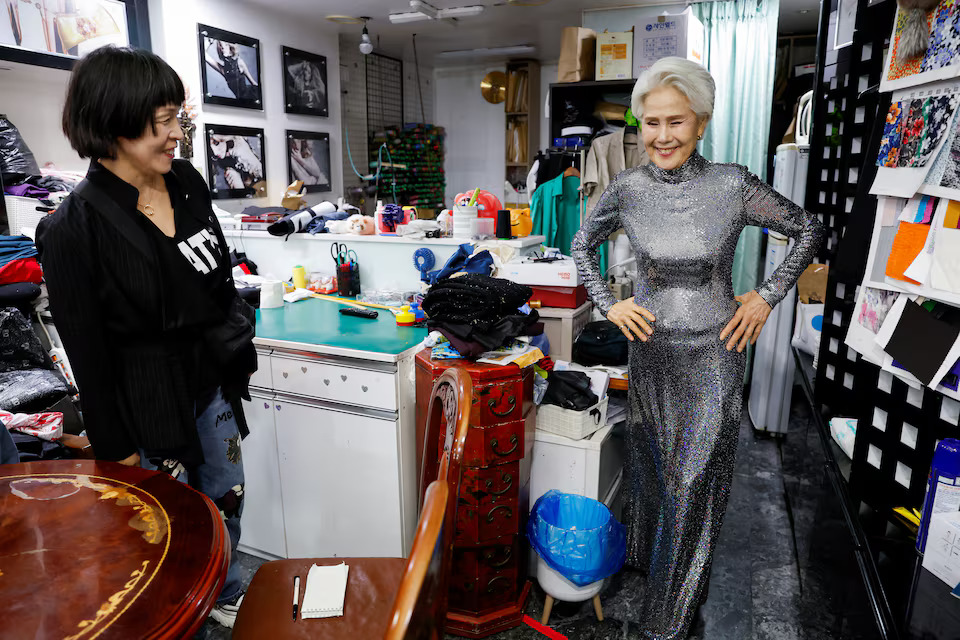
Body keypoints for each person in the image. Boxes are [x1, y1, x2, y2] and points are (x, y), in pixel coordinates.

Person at [570, 57, 824, 639]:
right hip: (651, 349)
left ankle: (669, 618)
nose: (661, 136)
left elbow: (809, 228)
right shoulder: (629, 189)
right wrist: (610, 303)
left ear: (701, 123)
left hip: (716, 351)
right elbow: (584, 246)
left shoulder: (733, 185)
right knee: (654, 470)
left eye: (675, 122)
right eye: (650, 123)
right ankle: (651, 565)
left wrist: (765, 296)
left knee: (692, 482)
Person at [35, 46, 257, 629]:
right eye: (163, 120)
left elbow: (218, 280)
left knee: (226, 501)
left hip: (211, 387)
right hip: (146, 414)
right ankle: (185, 622)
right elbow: (88, 355)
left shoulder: (185, 182)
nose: (177, 134)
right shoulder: (71, 229)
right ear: (113, 119)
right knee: (167, 538)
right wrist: (119, 452)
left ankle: (225, 595)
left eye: (177, 117)